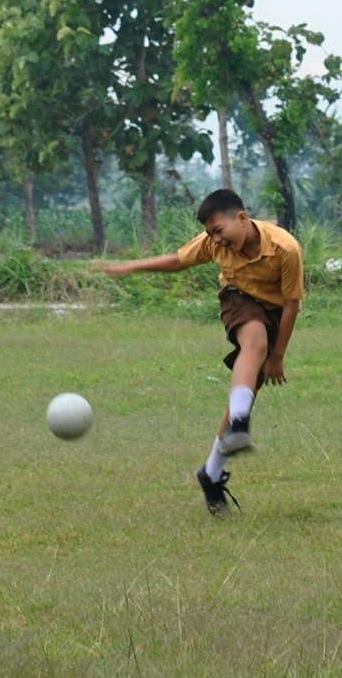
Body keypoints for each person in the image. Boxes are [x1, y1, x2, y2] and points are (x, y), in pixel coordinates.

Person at [96, 187, 303, 516]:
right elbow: (178, 261)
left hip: (274, 312)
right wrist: (133, 266)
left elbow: (292, 305)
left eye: (218, 231)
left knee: (247, 389)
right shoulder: (213, 243)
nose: (215, 240)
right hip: (238, 298)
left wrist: (278, 357)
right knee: (254, 342)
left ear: (242, 218)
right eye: (210, 233)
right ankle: (239, 423)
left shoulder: (285, 248)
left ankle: (211, 472)